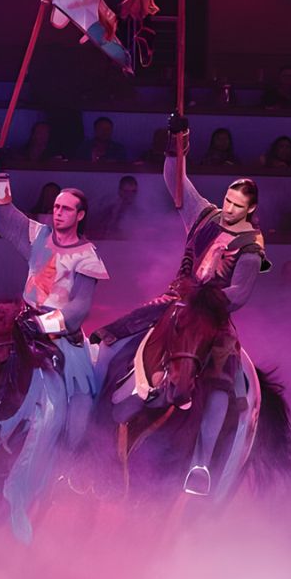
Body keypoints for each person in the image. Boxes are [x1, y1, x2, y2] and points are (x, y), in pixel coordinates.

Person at [95, 115, 269, 496]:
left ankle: (201, 463)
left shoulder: (251, 247)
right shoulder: (204, 215)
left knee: (221, 380)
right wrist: (177, 142)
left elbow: (238, 294)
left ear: (250, 210)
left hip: (212, 318)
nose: (229, 209)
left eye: (237, 206)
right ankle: (95, 427)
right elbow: (176, 180)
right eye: (228, 201)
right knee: (113, 337)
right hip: (175, 302)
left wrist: (204, 297)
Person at [0, 168, 109, 449]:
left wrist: (42, 325)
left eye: (66, 209)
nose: (58, 213)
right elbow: (3, 216)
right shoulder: (38, 234)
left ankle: (71, 450)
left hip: (60, 335)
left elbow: (79, 309)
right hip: (24, 321)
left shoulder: (87, 255)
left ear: (80, 215)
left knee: (80, 397)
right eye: (56, 207)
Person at [88, 175, 141, 239]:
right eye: (126, 191)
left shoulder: (140, 213)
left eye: (133, 191)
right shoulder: (108, 210)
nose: (130, 195)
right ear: (120, 191)